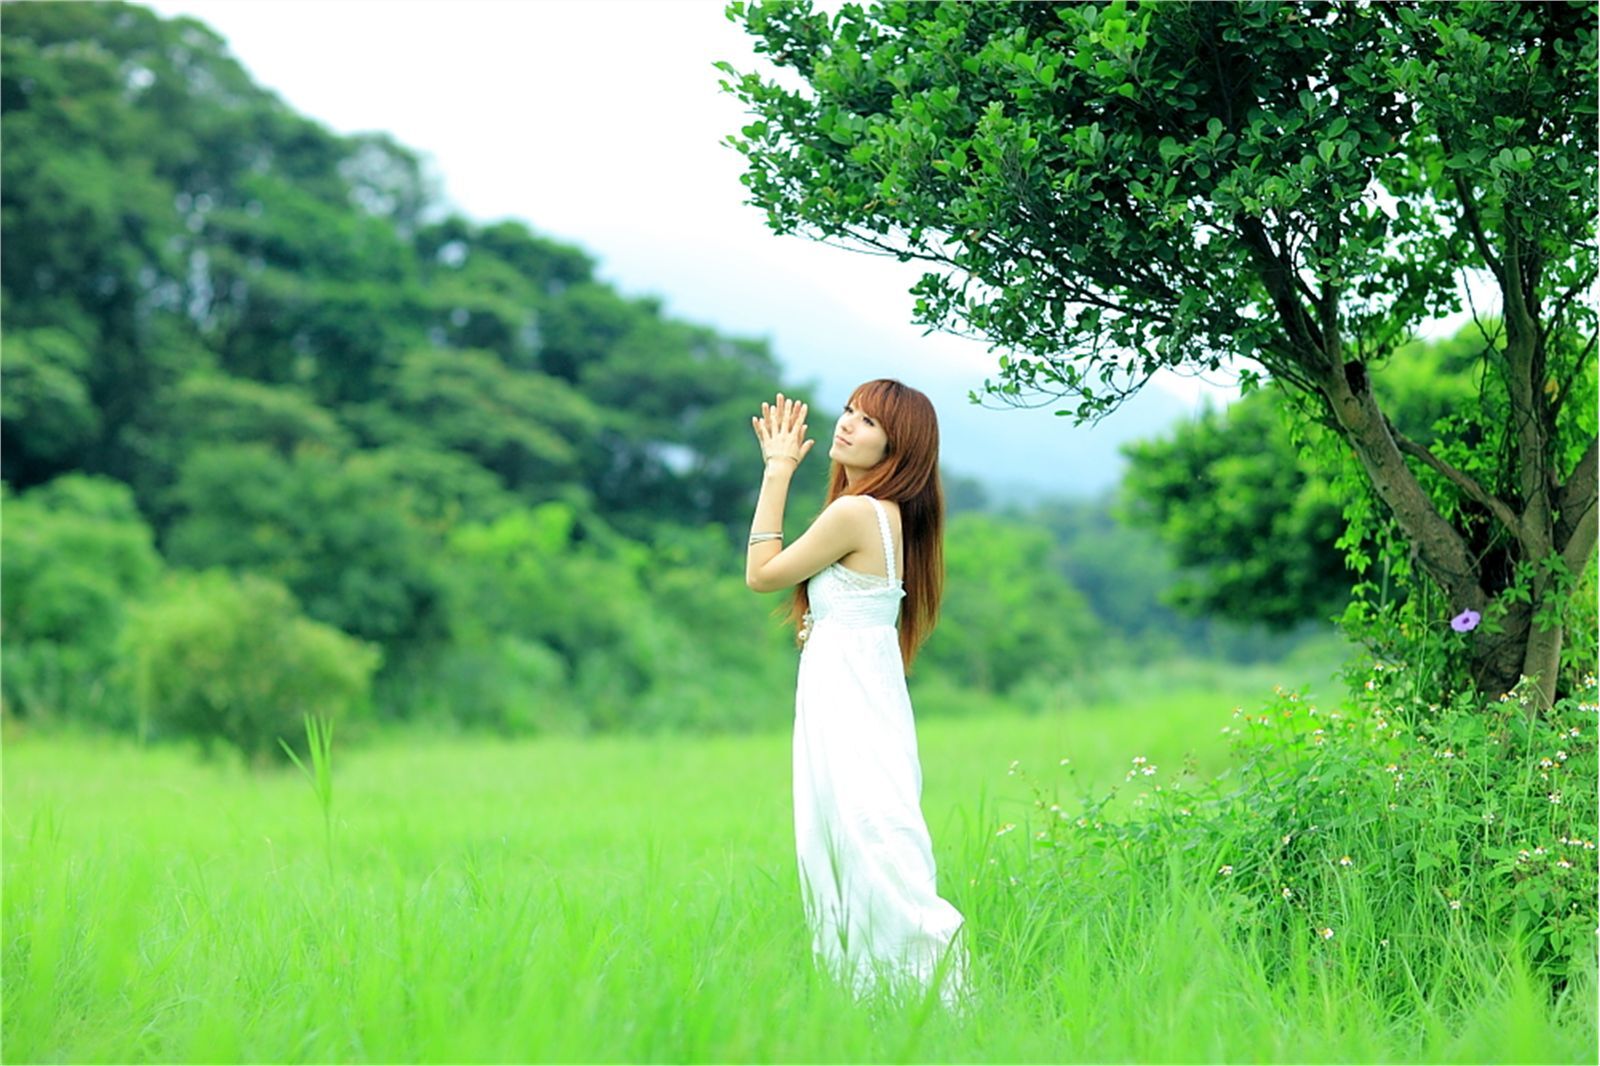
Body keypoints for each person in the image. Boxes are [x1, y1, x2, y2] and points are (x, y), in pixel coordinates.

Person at [745, 381, 967, 1006]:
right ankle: (881, 1003)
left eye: (869, 422)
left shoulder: (857, 513)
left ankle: (930, 1001)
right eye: (849, 411)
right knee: (867, 839)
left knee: (867, 842)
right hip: (855, 695)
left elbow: (761, 575)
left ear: (898, 447)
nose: (847, 424)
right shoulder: (886, 513)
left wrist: (777, 470)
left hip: (848, 702)